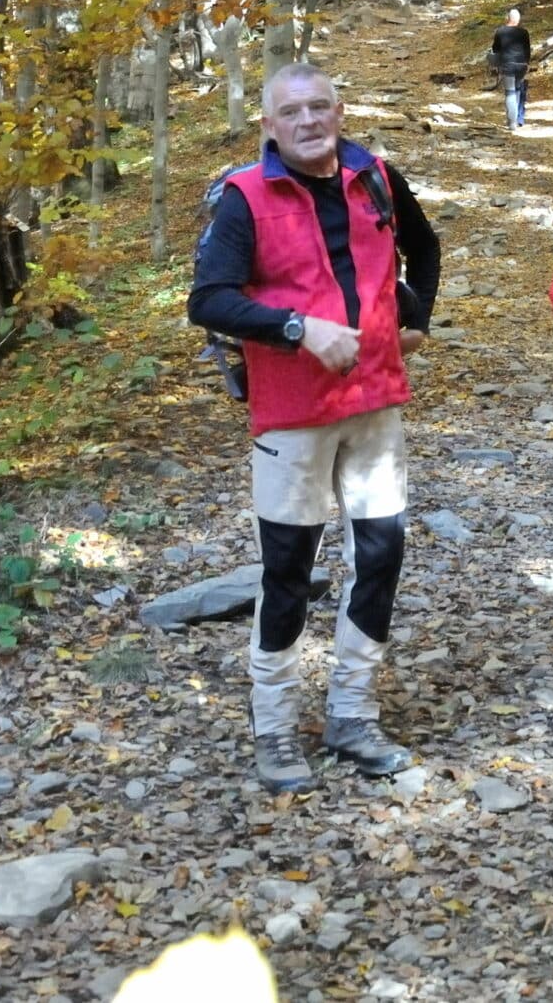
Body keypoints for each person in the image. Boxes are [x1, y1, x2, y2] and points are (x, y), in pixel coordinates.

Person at [187, 62, 441, 790]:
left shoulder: (375, 178)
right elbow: (209, 300)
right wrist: (299, 328)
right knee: (289, 568)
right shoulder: (245, 197)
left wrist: (415, 319)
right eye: (291, 112)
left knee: (381, 556)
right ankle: (274, 726)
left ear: (339, 111)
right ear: (269, 125)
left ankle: (352, 715)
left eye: (319, 107)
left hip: (376, 401)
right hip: (293, 412)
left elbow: (424, 247)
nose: (308, 121)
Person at [489, 7, 533, 129]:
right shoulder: (524, 32)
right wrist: (527, 63)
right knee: (517, 90)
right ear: (518, 20)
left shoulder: (500, 31)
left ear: (507, 18)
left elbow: (495, 49)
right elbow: (527, 50)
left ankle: (512, 122)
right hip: (521, 65)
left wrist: (496, 63)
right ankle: (516, 119)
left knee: (510, 93)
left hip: (507, 65)